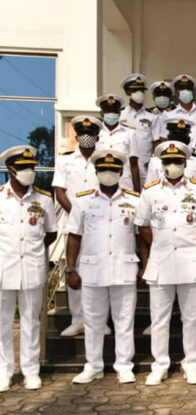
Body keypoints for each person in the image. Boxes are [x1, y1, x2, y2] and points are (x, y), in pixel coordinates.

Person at [135, 141, 196, 386]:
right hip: (161, 263)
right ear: (161, 164)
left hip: (190, 262)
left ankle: (191, 364)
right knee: (159, 320)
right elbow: (142, 225)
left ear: (185, 163)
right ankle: (160, 366)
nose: (173, 166)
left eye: (177, 161)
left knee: (191, 319)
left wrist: (191, 243)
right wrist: (159, 243)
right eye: (168, 161)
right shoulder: (150, 191)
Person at [66, 150, 146, 384]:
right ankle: (93, 366)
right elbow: (74, 236)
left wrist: (146, 265)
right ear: (96, 171)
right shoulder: (83, 200)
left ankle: (124, 365)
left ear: (121, 171)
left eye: (113, 169)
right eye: (103, 169)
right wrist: (70, 269)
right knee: (92, 321)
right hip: (92, 269)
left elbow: (140, 236)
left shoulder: (134, 200)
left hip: (124, 268)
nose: (108, 173)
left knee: (124, 320)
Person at [0, 145, 57, 392]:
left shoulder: (43, 199)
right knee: (2, 323)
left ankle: (31, 371)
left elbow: (51, 233)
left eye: (31, 167)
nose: (29, 172)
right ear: (11, 169)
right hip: (4, 268)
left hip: (32, 269)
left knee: (31, 321)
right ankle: (4, 371)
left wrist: (33, 250)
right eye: (23, 168)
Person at [53, 116, 102, 337]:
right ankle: (78, 320)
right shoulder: (65, 161)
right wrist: (76, 214)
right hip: (73, 223)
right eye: (82, 132)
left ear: (97, 136)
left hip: (98, 225)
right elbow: (60, 191)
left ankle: (98, 320)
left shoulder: (104, 159)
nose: (86, 136)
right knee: (73, 270)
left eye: (90, 133)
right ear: (77, 135)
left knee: (97, 272)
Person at [119, 73, 158, 183]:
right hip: (123, 171)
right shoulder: (120, 116)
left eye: (141, 90)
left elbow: (156, 143)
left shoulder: (152, 117)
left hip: (145, 170)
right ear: (127, 92)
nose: (139, 93)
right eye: (135, 90)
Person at [96, 94, 137, 191]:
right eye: (107, 111)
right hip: (100, 182)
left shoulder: (130, 132)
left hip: (124, 182)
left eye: (114, 111)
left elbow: (134, 164)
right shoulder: (95, 132)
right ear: (102, 113)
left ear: (119, 113)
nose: (111, 113)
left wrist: (137, 190)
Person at [152, 74, 196, 145]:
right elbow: (164, 139)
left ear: (193, 91)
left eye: (188, 88)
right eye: (181, 89)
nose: (185, 91)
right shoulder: (168, 114)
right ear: (175, 92)